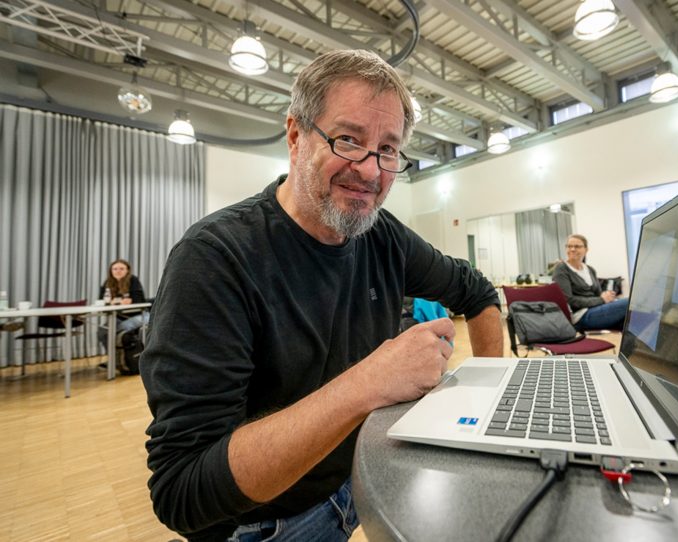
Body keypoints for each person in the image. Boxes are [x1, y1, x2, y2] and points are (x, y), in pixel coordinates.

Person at [140, 49, 503, 542]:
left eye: (389, 150)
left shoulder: (382, 237)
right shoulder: (214, 258)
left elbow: (477, 292)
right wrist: (370, 381)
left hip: (362, 481)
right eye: (349, 140)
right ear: (295, 135)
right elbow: (182, 491)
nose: (372, 172)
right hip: (267, 526)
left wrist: (492, 408)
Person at [552, 234, 628, 331]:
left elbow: (598, 294)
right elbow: (568, 300)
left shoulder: (590, 269)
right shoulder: (561, 269)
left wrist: (606, 295)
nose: (572, 249)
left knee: (630, 318)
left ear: (586, 250)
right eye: (569, 246)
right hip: (580, 316)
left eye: (577, 246)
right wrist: (602, 300)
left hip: (597, 309)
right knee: (630, 303)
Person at [97, 258, 149, 348]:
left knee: (110, 331)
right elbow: (102, 300)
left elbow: (139, 300)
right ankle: (114, 359)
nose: (118, 271)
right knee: (102, 331)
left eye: (121, 269)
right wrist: (119, 302)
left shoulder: (133, 280)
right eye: (115, 269)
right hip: (118, 317)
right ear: (111, 271)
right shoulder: (108, 282)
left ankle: (121, 358)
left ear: (127, 270)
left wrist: (122, 301)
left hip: (139, 315)